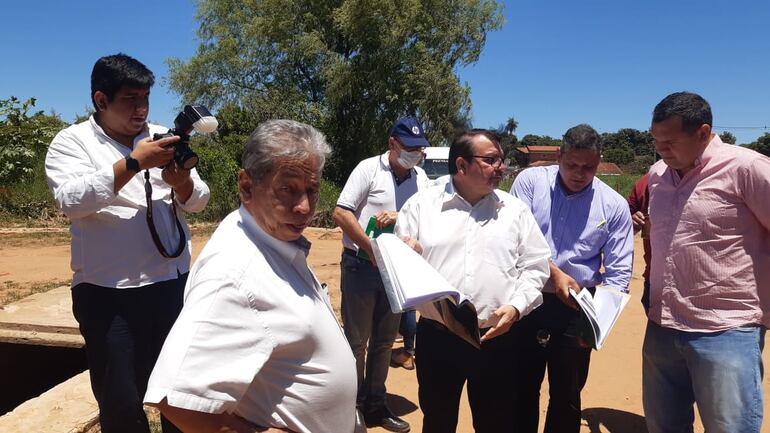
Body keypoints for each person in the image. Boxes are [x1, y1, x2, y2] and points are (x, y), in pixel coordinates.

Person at [144, 120, 359, 433]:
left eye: (312, 190)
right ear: (246, 187)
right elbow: (175, 399)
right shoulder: (234, 273)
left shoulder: (273, 240)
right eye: (288, 190)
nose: (304, 208)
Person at [45, 53, 209, 433]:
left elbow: (198, 200)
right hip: (108, 294)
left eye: (146, 98)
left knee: (181, 392)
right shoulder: (72, 143)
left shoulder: (161, 132)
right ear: (101, 100)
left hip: (171, 286)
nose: (141, 109)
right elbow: (70, 201)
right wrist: (134, 163)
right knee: (120, 399)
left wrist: (179, 179)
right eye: (130, 99)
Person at [395, 128, 551, 433]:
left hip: (496, 338)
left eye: (501, 160)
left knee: (495, 421)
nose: (501, 167)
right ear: (462, 165)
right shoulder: (420, 207)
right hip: (438, 338)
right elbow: (399, 268)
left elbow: (536, 266)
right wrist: (404, 255)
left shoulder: (515, 211)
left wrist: (517, 308)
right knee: (438, 420)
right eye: (491, 160)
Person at [643, 92, 770, 433]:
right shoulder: (657, 174)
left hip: (726, 330)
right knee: (663, 426)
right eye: (656, 141)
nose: (661, 150)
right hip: (663, 326)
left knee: (729, 428)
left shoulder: (747, 168)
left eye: (669, 142)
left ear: (703, 132)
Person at [509, 124, 634, 433]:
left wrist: (597, 325)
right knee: (521, 387)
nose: (580, 173)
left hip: (578, 308)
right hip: (527, 300)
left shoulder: (614, 206)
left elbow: (619, 275)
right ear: (559, 155)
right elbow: (513, 240)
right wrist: (554, 272)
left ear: (599, 160)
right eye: (572, 165)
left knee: (567, 394)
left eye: (589, 167)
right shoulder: (529, 183)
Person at [332, 117, 430, 432]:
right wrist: (369, 248)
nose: (416, 153)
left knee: (386, 340)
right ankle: (352, 405)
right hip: (361, 265)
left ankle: (376, 403)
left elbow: (427, 215)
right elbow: (341, 212)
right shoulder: (368, 169)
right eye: (410, 148)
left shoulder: (422, 178)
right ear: (392, 144)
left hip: (397, 269)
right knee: (357, 340)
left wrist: (400, 215)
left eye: (420, 148)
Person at [627, 173, 651, 313]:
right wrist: (632, 221)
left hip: (704, 286)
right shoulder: (646, 183)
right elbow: (621, 222)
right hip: (655, 281)